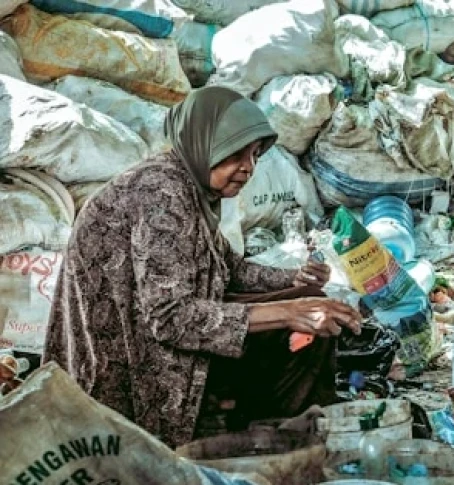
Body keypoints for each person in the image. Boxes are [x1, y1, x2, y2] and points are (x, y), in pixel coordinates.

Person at [41, 86, 362, 449]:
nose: (248, 168)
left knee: (311, 301)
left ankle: (269, 430)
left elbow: (229, 269)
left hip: (157, 329)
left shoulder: (193, 189)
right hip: (128, 356)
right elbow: (169, 317)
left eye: (254, 155)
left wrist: (294, 281)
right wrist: (289, 312)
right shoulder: (163, 194)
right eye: (234, 154)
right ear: (200, 142)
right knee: (297, 316)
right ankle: (252, 434)